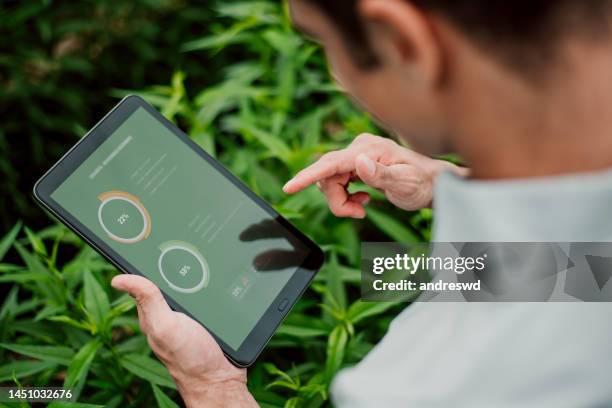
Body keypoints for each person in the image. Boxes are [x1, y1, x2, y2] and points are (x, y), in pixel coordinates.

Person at [111, 0, 612, 406]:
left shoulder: (439, 384)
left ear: (401, 43)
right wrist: (444, 182)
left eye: (321, 40)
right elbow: (593, 271)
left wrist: (212, 388)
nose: (336, 76)